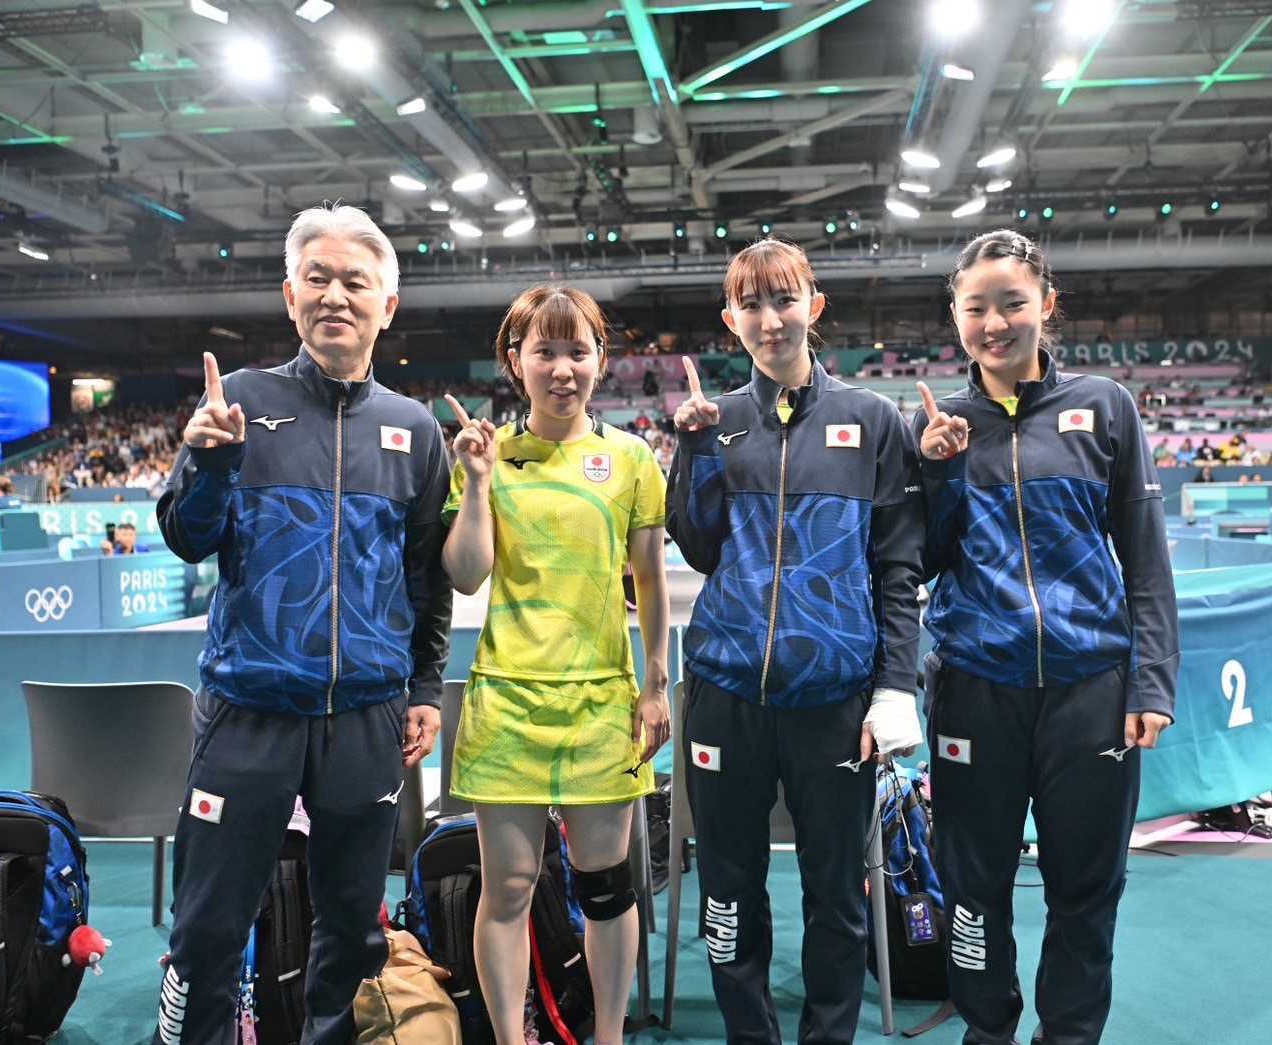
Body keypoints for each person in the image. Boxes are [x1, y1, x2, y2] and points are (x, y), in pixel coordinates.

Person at [153, 203, 454, 1045]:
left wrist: (423, 687)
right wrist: (210, 462)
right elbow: (186, 536)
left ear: (385, 305)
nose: (335, 296)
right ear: (290, 296)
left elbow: (426, 577)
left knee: (353, 932)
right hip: (246, 713)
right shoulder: (237, 403)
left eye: (355, 281)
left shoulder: (415, 430)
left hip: (367, 719)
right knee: (208, 930)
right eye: (316, 279)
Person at [914, 230, 1178, 1045]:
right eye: (975, 307)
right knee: (969, 888)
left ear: (1045, 306)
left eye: (1012, 303)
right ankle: (986, 1030)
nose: (993, 322)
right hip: (973, 687)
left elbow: (1142, 551)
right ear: (954, 315)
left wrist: (1151, 682)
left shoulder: (1103, 406)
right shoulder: (934, 424)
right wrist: (936, 472)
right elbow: (918, 560)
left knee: (1086, 888)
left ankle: (1068, 1035)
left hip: (1088, 688)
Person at [666, 238, 924, 1044]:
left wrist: (894, 686)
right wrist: (695, 449)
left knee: (836, 893)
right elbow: (700, 547)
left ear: (813, 307)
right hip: (725, 696)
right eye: (751, 303)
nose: (769, 318)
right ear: (730, 319)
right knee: (728, 891)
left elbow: (897, 566)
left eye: (784, 300)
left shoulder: (873, 420)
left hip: (833, 704)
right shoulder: (720, 422)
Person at [439, 284, 670, 1045]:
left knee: (605, 889)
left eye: (578, 351)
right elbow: (467, 573)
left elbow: (649, 578)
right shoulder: (489, 454)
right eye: (545, 350)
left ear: (602, 360)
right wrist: (475, 483)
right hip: (507, 703)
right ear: (516, 361)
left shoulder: (631, 457)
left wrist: (655, 683)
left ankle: (606, 1036)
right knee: (505, 888)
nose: (562, 367)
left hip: (602, 702)